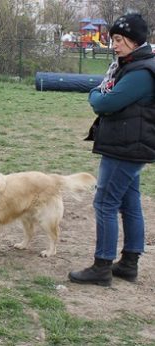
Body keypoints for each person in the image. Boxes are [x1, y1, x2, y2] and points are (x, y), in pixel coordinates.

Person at [69, 13, 155, 286]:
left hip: (125, 148)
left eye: (118, 40)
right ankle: (129, 264)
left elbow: (105, 103)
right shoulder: (133, 64)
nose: (114, 45)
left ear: (133, 40)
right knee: (129, 203)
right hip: (130, 145)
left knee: (105, 203)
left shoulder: (141, 71)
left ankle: (102, 266)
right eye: (113, 40)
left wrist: (95, 94)